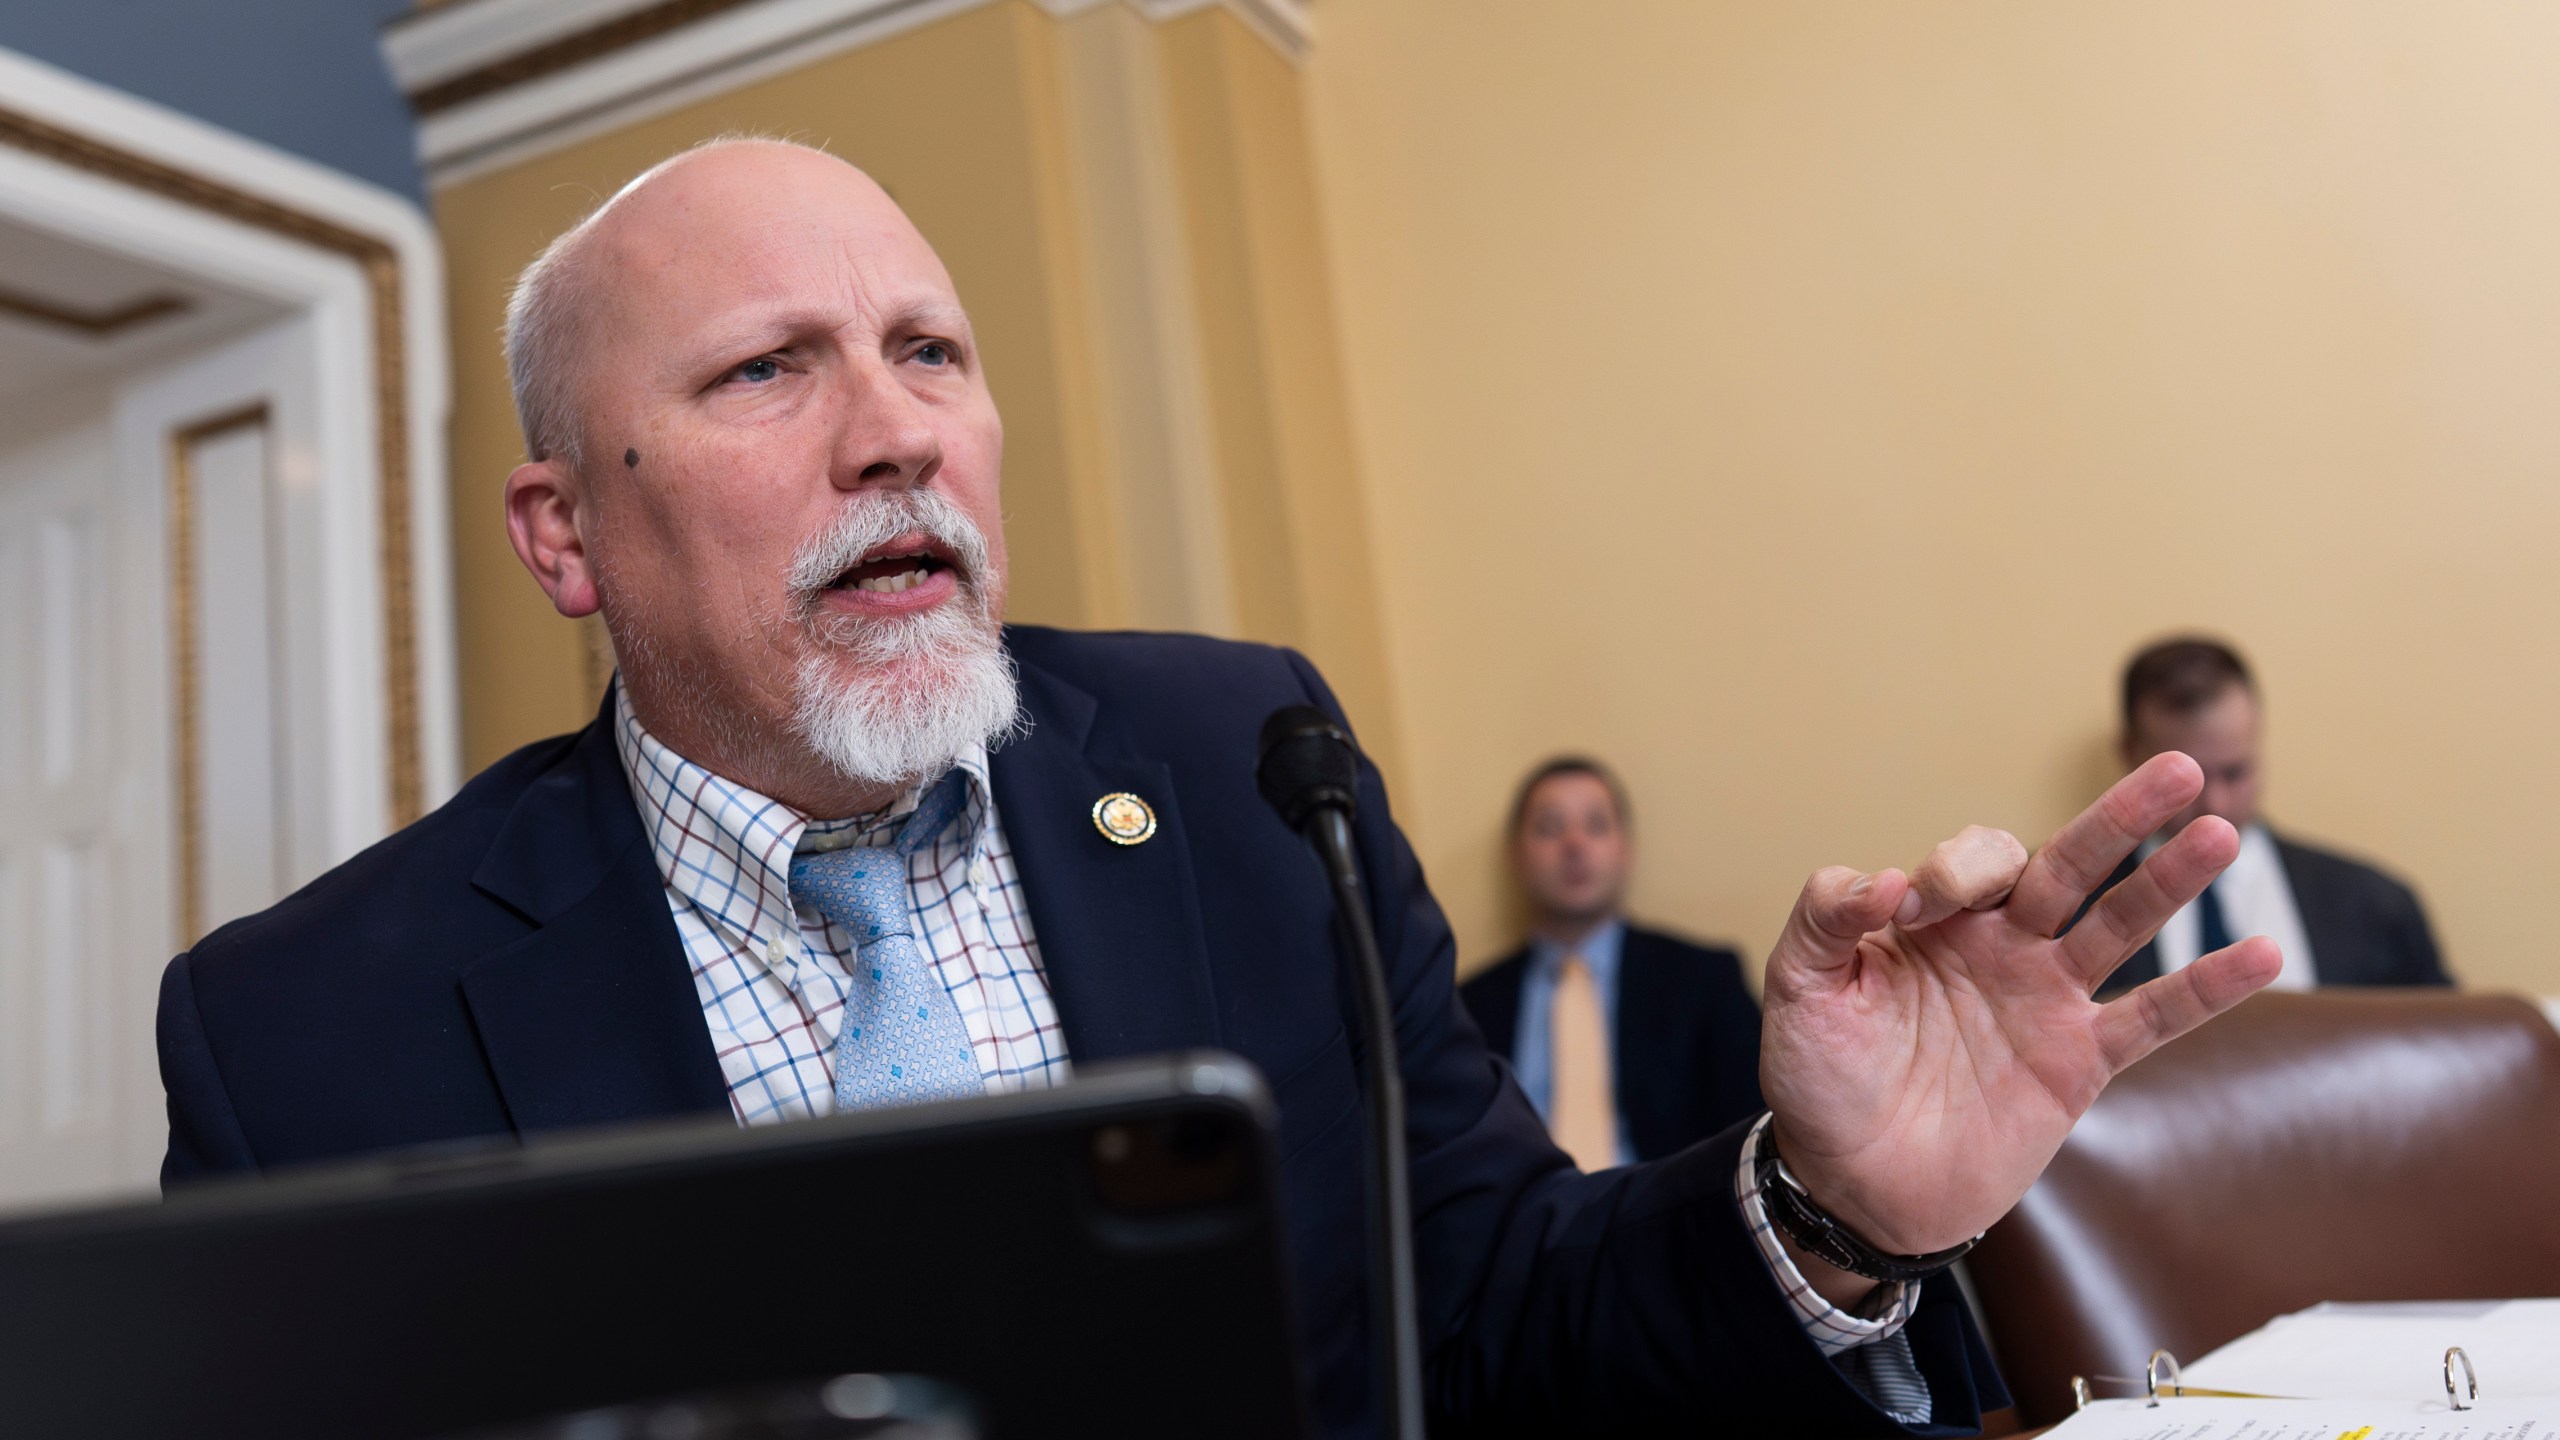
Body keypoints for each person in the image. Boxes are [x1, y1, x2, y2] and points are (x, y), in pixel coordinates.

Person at [155, 139, 2280, 1437]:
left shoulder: (1240, 767)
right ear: (564, 540)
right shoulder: (306, 1032)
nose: (893, 432)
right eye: (765, 369)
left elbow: (1501, 1320)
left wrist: (1820, 1209)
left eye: (931, 351)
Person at [2078, 637, 2450, 994]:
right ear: (2129, 754)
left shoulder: (2374, 906)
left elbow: (2444, 1045)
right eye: (2186, 781)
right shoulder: (2067, 914)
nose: (2216, 806)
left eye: (2235, 772)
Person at [1461, 758, 1762, 1167]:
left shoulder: (1704, 980)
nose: (1574, 845)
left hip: (1666, 1218)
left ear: (1625, 849)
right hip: (1523, 1224)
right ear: (1517, 855)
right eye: (1550, 827)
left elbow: (1756, 1132)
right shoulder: (1469, 1006)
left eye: (1596, 825)